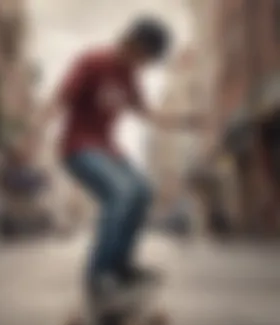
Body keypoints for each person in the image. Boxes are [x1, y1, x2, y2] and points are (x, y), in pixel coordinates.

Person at [37, 17, 201, 298]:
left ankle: (122, 266)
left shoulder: (129, 78)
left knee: (144, 190)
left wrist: (186, 121)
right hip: (78, 147)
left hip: (108, 149)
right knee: (121, 192)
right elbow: (61, 99)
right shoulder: (92, 62)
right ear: (133, 44)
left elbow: (148, 114)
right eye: (146, 57)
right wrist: (34, 129)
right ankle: (99, 274)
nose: (145, 65)